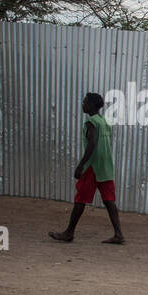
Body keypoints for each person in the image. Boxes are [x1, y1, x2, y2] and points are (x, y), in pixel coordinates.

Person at [49, 93, 125, 245]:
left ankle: (69, 232)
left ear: (91, 105)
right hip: (106, 166)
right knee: (109, 201)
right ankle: (118, 234)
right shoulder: (104, 121)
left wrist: (81, 164)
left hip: (92, 167)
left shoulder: (91, 122)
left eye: (85, 102)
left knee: (80, 200)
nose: (83, 104)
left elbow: (92, 143)